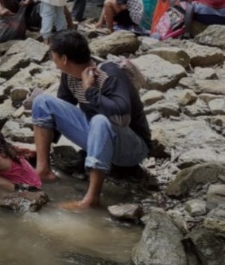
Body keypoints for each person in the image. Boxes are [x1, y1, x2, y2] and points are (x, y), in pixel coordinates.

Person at [31, 30, 151, 209]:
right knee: (42, 102)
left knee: (100, 120)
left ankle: (92, 198)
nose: (52, 60)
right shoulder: (69, 75)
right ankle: (43, 170)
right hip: (99, 137)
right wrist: (39, 145)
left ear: (64, 58)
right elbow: (62, 109)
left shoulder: (109, 74)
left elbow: (121, 115)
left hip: (131, 147)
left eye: (53, 55)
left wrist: (89, 91)